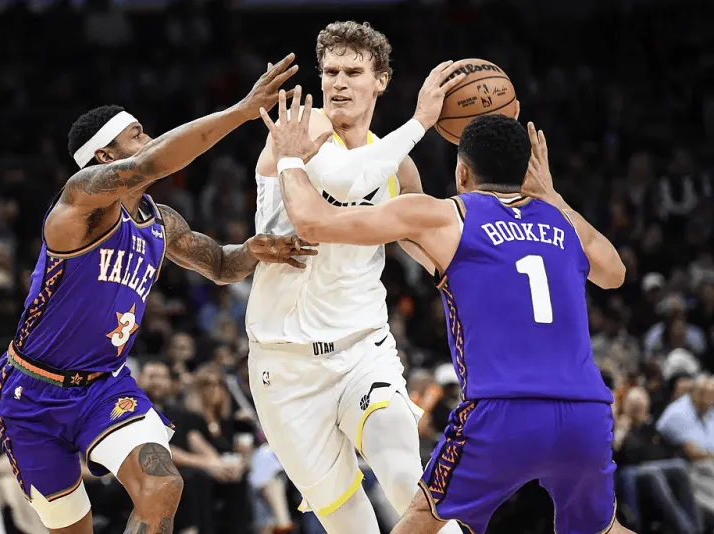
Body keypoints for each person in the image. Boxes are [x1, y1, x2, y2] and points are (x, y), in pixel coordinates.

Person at [259, 83, 635, 533]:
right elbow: (615, 273)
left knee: (423, 519)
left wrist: (289, 157)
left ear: (462, 172)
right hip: (585, 411)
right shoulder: (562, 220)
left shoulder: (445, 216)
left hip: (502, 409)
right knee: (605, 529)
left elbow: (312, 222)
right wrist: (552, 196)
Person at [0, 54, 316, 534]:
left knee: (162, 485)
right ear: (105, 157)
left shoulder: (160, 221)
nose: (150, 138)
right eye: (137, 133)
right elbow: (150, 162)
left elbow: (219, 264)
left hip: (104, 386)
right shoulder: (80, 204)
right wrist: (242, 111)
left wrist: (253, 250)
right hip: (32, 391)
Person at [249, 22, 467, 534]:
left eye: (353, 72)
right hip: (283, 362)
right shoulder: (303, 127)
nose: (339, 83)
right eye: (330, 72)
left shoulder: (399, 167)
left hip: (363, 348)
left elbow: (425, 247)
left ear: (380, 81)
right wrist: (421, 121)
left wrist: (475, 276)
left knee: (405, 476)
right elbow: (349, 178)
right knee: (350, 524)